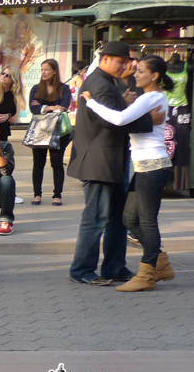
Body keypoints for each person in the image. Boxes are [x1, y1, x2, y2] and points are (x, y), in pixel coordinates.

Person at [68, 41, 161, 286]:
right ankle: (82, 270)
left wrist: (125, 102)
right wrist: (147, 119)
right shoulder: (100, 84)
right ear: (106, 59)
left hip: (112, 160)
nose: (126, 67)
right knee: (96, 218)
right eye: (122, 62)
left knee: (116, 218)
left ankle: (114, 268)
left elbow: (114, 114)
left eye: (128, 62)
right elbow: (113, 121)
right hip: (99, 162)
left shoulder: (106, 83)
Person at [28, 59, 72, 206]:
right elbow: (32, 108)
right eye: (42, 69)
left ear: (54, 71)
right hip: (40, 129)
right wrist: (52, 107)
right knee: (38, 163)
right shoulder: (36, 88)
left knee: (57, 163)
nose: (43, 72)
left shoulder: (64, 88)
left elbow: (64, 107)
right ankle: (37, 195)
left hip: (58, 130)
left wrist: (43, 106)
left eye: (46, 69)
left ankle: (57, 195)